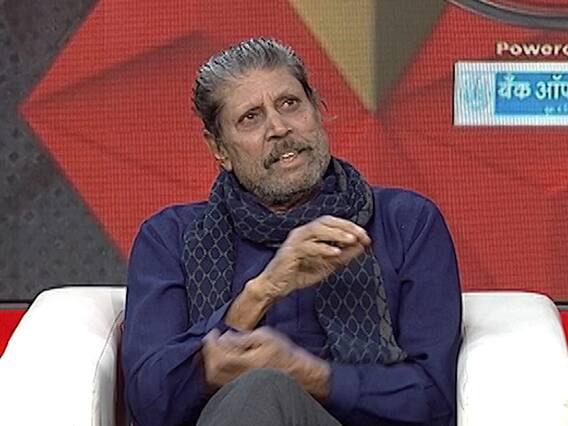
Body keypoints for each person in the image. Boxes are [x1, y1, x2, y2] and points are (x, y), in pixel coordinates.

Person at [121, 37, 462, 426]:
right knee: (259, 390)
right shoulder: (170, 238)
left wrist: (306, 374)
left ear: (316, 110)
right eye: (251, 117)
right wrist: (262, 292)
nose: (279, 128)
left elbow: (435, 401)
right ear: (219, 149)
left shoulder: (406, 222)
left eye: (289, 104)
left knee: (264, 387)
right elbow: (147, 404)